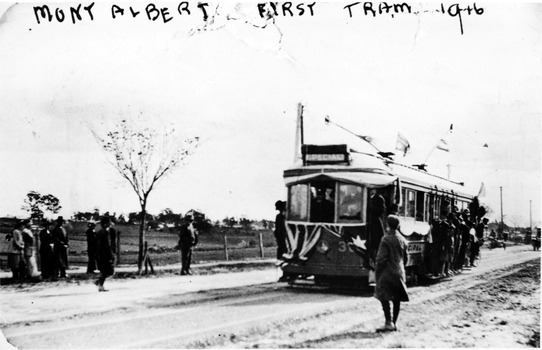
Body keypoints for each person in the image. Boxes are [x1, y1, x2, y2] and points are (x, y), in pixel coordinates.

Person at [374, 215, 409, 332]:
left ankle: (388, 322)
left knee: (384, 297)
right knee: (396, 299)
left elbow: (381, 258)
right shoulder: (403, 239)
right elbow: (406, 259)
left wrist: (377, 270)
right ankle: (394, 323)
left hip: (387, 272)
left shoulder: (386, 239)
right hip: (399, 272)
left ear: (387, 225)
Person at [95, 216, 116, 291]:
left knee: (105, 271)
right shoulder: (105, 232)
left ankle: (99, 282)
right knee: (109, 271)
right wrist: (111, 255)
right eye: (109, 223)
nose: (110, 225)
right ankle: (100, 284)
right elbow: (107, 245)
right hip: (105, 254)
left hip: (101, 254)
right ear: (105, 224)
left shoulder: (100, 232)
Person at [366, 188, 386, 267]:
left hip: (375, 223)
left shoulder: (379, 199)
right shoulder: (364, 197)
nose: (371, 191)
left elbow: (381, 210)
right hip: (367, 222)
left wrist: (370, 207)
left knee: (375, 241)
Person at [274, 200, 288, 282]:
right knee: (283, 257)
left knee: (283, 257)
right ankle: (285, 274)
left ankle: (285, 274)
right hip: (282, 241)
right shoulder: (281, 217)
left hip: (284, 241)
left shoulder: (281, 217)